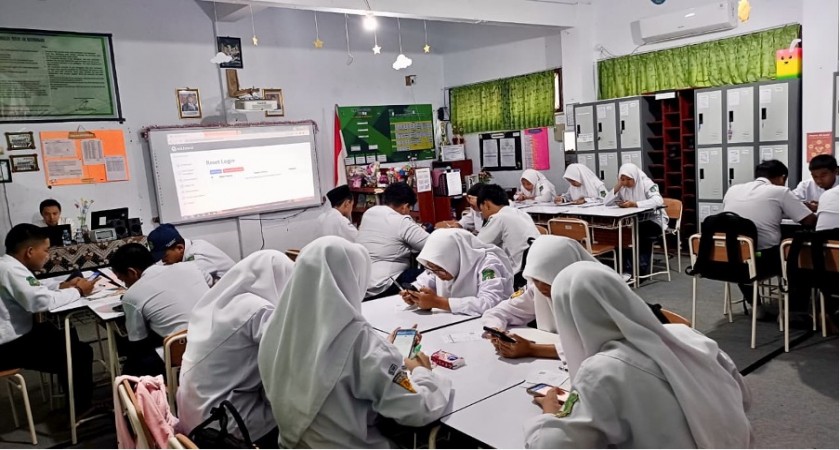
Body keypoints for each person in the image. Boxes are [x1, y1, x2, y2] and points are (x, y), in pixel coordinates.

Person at [525, 262, 753, 448]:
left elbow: (555, 446)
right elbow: (744, 397)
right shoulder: (688, 336)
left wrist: (549, 415)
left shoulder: (601, 372)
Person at [257, 237, 452, 448]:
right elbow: (417, 410)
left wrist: (384, 351)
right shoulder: (360, 342)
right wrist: (423, 372)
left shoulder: (276, 328)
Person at [177, 250, 294, 449]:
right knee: (303, 415)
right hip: (223, 429)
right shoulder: (258, 310)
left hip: (192, 417)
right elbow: (288, 355)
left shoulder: (219, 301)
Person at [0, 224, 95, 411]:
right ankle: (80, 410)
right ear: (30, 251)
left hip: (17, 336)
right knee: (80, 353)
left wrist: (62, 285)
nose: (48, 255)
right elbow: (40, 302)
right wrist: (78, 291)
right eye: (45, 250)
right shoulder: (10, 270)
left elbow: (34, 286)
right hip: (8, 348)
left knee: (65, 332)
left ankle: (73, 390)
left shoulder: (9, 265)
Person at [723, 160, 815, 314]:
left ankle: (756, 306)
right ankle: (793, 312)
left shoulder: (733, 189)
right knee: (799, 258)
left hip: (730, 258)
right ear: (782, 177)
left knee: (745, 254)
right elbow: (809, 221)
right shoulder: (780, 192)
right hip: (763, 259)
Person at [482, 235, 597, 360]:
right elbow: (500, 312)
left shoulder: (594, 294)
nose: (542, 287)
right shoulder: (536, 288)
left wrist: (532, 349)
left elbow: (597, 347)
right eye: (536, 279)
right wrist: (496, 330)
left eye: (548, 279)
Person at [110, 243, 210, 376]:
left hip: (183, 352)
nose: (126, 285)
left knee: (133, 361)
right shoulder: (192, 267)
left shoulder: (132, 295)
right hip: (216, 337)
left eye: (123, 280)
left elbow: (138, 341)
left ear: (132, 272)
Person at [402, 229, 513, 315]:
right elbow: (424, 282)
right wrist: (414, 295)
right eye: (431, 268)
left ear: (454, 257)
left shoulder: (488, 265)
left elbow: (490, 303)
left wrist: (438, 302)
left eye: (440, 269)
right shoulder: (438, 266)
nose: (437, 274)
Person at [356, 182, 429, 299]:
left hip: (362, 283)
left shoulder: (369, 213)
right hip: (385, 284)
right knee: (430, 277)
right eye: (409, 208)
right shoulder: (401, 221)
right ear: (405, 206)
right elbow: (431, 245)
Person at [604, 163, 668, 279]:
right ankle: (623, 268)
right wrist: (618, 185)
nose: (626, 182)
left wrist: (635, 204)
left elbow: (658, 201)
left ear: (635, 177)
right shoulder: (622, 186)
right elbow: (606, 202)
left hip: (654, 220)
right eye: (622, 179)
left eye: (629, 179)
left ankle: (640, 270)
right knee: (620, 233)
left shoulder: (646, 183)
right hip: (634, 221)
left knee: (636, 233)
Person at [477, 184, 540, 273]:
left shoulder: (498, 217)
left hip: (520, 273)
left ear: (487, 204)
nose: (482, 215)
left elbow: (477, 246)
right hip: (536, 267)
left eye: (481, 210)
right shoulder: (522, 213)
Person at [147, 223, 234, 285]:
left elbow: (201, 283)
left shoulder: (195, 256)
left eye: (164, 256)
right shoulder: (196, 243)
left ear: (180, 248)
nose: (163, 260)